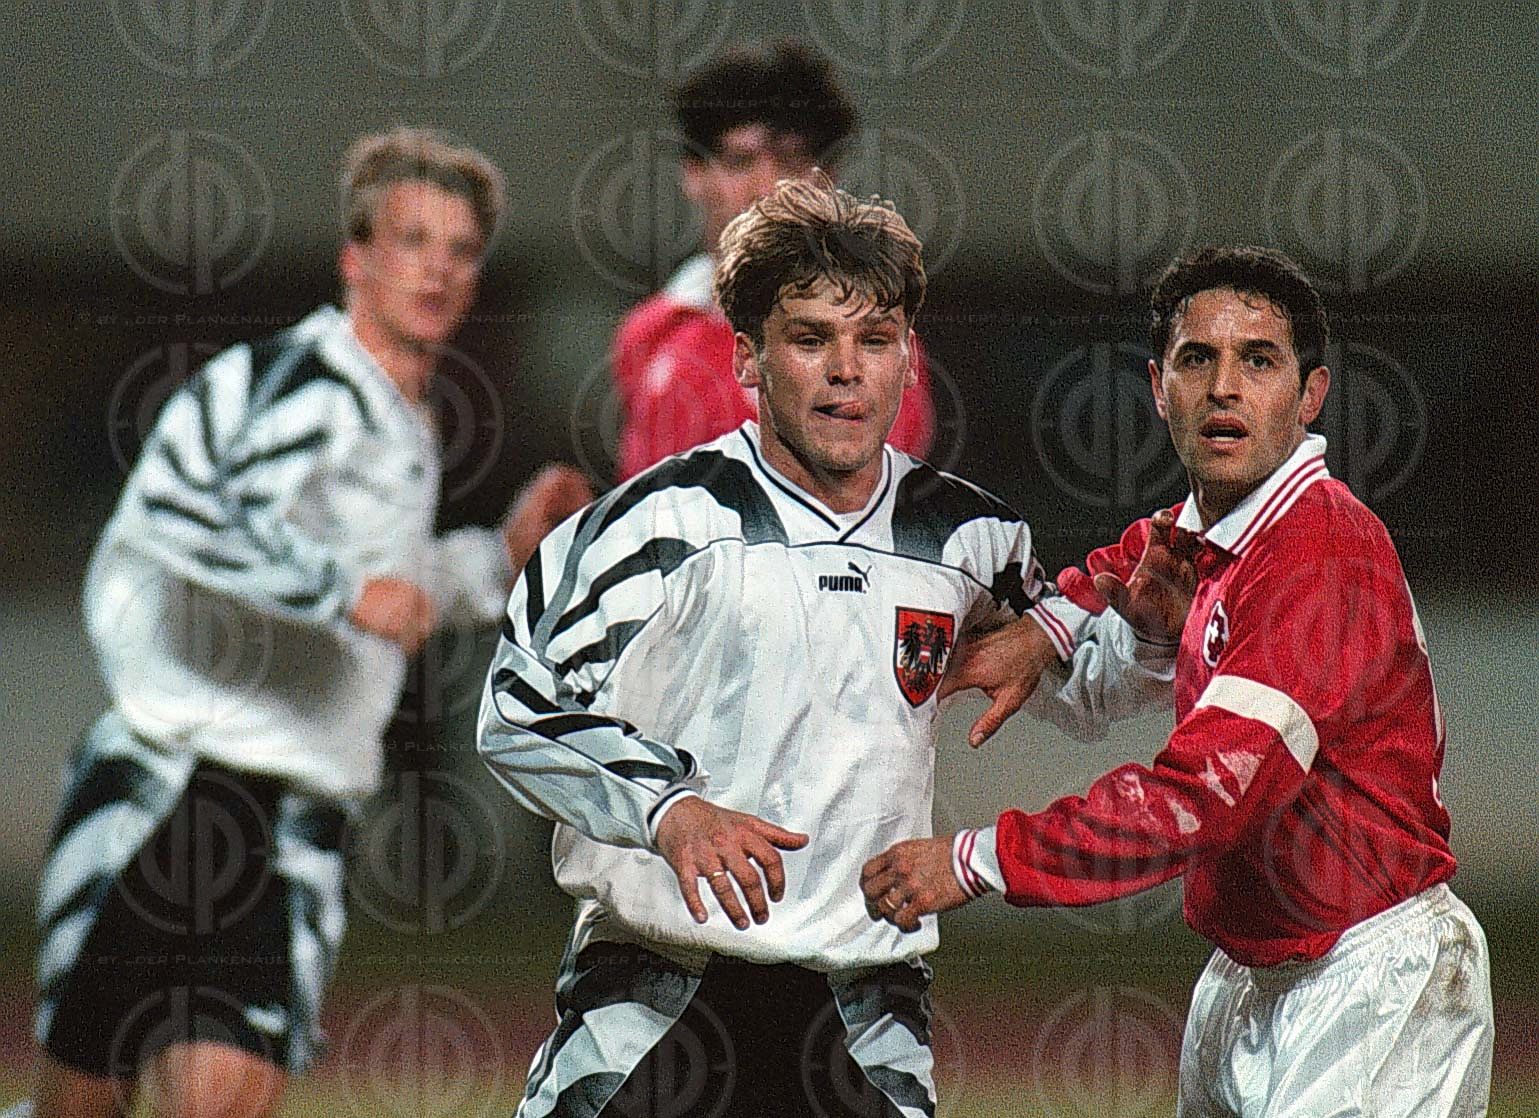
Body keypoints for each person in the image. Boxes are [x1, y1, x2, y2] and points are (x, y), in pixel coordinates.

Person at [476, 174, 1171, 1118]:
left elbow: (1082, 690)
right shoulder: (654, 524)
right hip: (651, 990)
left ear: (908, 360)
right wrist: (670, 810)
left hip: (862, 1009)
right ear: (748, 357)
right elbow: (515, 707)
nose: (847, 370)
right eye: (810, 340)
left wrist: (1147, 636)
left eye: (874, 340)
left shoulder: (970, 539)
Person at [25, 127, 592, 1118]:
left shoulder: (398, 417)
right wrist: (340, 590)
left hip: (294, 812)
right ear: (354, 259)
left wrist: (498, 556)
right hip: (172, 787)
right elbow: (184, 517)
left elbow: (392, 591)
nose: (438, 268)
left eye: (461, 249)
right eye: (411, 240)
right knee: (83, 1107)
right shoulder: (304, 383)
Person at [861, 246, 1494, 1117]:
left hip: (1373, 979)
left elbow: (1205, 797)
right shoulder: (1201, 537)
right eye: (1198, 359)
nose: (1223, 387)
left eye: (1258, 360)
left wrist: (977, 860)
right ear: (1159, 388)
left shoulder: (1318, 551)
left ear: (1309, 395)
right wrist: (1070, 635)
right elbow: (1101, 615)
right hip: (1246, 976)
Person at [610, 39, 936, 481]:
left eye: (791, 161)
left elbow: (863, 498)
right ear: (694, 174)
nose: (768, 187)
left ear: (828, 178)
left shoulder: (876, 335)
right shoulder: (651, 334)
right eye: (740, 161)